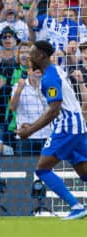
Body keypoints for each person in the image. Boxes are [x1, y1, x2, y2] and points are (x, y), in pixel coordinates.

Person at [17, 40, 87, 220]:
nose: (28, 56)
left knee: (42, 169)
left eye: (32, 53)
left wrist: (30, 130)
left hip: (67, 127)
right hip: (76, 124)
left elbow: (54, 109)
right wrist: (31, 123)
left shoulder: (49, 77)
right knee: (84, 171)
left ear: (41, 55)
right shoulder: (55, 71)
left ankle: (76, 206)